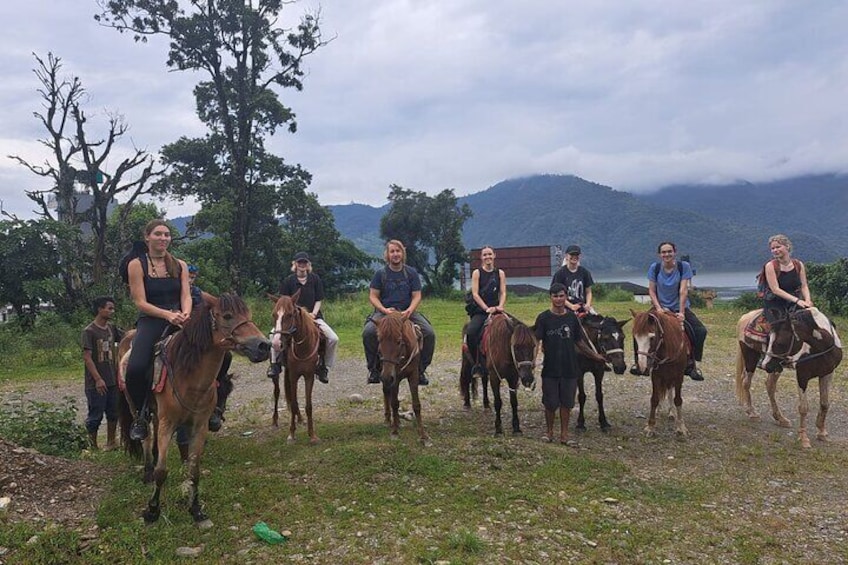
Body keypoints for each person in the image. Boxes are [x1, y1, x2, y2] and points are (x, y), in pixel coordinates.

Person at [124, 219, 192, 441]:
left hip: (180, 318)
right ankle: (140, 416)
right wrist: (167, 314)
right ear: (147, 237)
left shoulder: (180, 264)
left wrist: (186, 313)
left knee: (223, 354)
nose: (163, 238)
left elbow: (185, 294)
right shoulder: (136, 264)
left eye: (166, 235)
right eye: (158, 234)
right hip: (152, 320)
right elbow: (140, 302)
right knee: (135, 367)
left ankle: (214, 407)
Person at [362, 239, 436, 385]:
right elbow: (373, 295)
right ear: (387, 255)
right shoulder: (380, 274)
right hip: (385, 313)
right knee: (368, 332)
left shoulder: (411, 273)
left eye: (398, 251)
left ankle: (420, 370)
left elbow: (417, 295)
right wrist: (383, 310)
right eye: (392, 251)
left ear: (402, 253)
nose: (395, 254)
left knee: (429, 333)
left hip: (406, 312)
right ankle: (374, 370)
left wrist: (410, 310)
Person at [630, 241, 707, 381]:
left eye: (669, 251)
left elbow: (683, 291)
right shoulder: (655, 268)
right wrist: (658, 308)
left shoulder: (684, 267)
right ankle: (638, 362)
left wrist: (682, 313)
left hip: (679, 307)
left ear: (674, 252)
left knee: (700, 331)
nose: (667, 254)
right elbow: (652, 291)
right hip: (659, 306)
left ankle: (692, 364)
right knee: (639, 329)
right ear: (659, 254)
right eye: (664, 252)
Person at [266, 252, 339, 384]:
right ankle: (274, 364)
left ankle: (323, 367)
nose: (302, 265)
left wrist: (314, 314)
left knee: (333, 338)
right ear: (295, 264)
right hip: (291, 318)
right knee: (273, 336)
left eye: (304, 262)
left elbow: (319, 299)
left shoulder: (315, 279)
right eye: (299, 262)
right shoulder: (288, 281)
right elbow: (283, 302)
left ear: (308, 265)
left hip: (313, 317)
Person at [533, 283, 584, 445]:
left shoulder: (572, 318)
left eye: (561, 296)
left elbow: (580, 342)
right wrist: (533, 362)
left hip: (570, 367)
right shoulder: (543, 318)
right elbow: (537, 341)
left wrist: (597, 356)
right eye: (555, 296)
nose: (559, 299)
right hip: (550, 367)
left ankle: (564, 434)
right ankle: (549, 433)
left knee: (567, 403)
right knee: (550, 402)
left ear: (566, 297)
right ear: (550, 297)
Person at [186, 264, 232, 432]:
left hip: (197, 335)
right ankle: (145, 407)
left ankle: (218, 383)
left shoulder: (198, 293)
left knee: (226, 355)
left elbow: (217, 304)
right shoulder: (172, 290)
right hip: (175, 329)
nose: (190, 280)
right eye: (187, 276)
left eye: (192, 277)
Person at [761, 234, 812, 371]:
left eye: (778, 247)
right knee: (776, 329)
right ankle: (766, 357)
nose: (775, 250)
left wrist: (808, 300)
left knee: (813, 321)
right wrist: (798, 300)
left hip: (796, 302)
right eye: (772, 248)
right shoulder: (770, 266)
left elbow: (804, 285)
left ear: (787, 247)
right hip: (775, 304)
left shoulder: (798, 265)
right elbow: (775, 289)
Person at [82, 296, 124, 450]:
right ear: (100, 309)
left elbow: (126, 337)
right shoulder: (89, 331)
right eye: (109, 308)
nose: (112, 311)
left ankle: (111, 442)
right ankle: (92, 446)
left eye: (113, 308)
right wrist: (98, 379)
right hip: (96, 383)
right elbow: (87, 357)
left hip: (113, 379)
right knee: (95, 415)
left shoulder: (112, 329)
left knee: (113, 412)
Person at [466, 246, 507, 375]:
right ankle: (476, 364)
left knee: (513, 328)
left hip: (497, 309)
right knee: (471, 333)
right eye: (485, 255)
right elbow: (475, 294)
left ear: (494, 255)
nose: (487, 257)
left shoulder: (500, 273)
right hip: (481, 310)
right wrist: (486, 308)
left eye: (490, 254)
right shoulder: (477, 273)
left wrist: (500, 306)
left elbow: (503, 292)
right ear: (481, 257)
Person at [550, 244, 595, 314]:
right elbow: (555, 295)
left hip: (582, 307)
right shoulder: (560, 274)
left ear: (580, 256)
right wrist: (571, 306)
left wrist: (588, 304)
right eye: (572, 254)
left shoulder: (585, 272)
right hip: (565, 308)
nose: (574, 257)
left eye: (576, 255)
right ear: (566, 256)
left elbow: (588, 292)